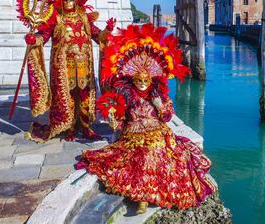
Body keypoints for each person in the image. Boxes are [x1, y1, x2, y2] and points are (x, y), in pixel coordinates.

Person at [77, 24, 216, 213]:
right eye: (138, 81)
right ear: (132, 79)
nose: (142, 85)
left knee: (162, 154)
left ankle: (146, 196)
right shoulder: (124, 95)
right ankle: (143, 197)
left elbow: (167, 116)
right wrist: (112, 120)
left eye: (146, 81)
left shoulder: (158, 95)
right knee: (145, 156)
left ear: (152, 79)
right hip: (133, 135)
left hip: (158, 133)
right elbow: (120, 121)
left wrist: (158, 104)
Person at [17, 0, 115, 142]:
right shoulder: (55, 16)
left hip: (84, 64)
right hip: (63, 66)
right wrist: (35, 40)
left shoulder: (84, 16)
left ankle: (87, 127)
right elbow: (44, 34)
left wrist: (107, 32)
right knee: (66, 96)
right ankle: (69, 127)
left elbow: (97, 36)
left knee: (85, 95)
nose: (69, 2)